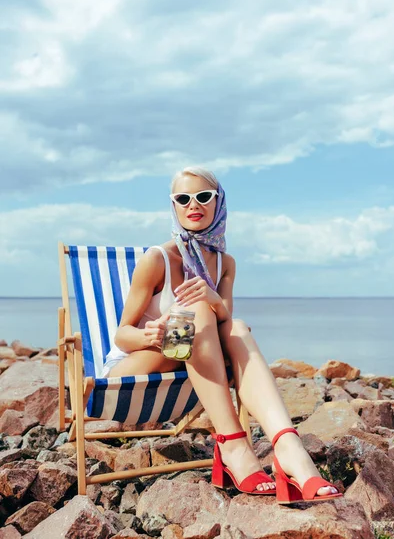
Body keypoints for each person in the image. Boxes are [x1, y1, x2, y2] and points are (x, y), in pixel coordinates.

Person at [101, 167, 341, 503]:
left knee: (237, 327)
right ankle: (233, 447)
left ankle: (289, 447)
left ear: (219, 201)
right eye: (182, 199)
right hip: (138, 363)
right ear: (173, 205)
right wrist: (149, 335)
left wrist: (212, 297)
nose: (192, 205)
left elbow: (224, 318)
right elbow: (122, 335)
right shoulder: (157, 259)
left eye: (203, 197)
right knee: (198, 311)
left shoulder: (225, 262)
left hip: (193, 358)